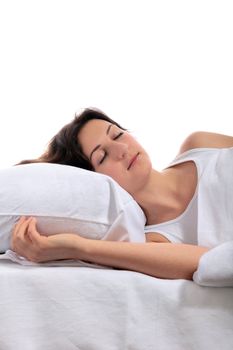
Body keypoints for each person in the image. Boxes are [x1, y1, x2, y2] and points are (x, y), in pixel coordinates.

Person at [11, 108, 233, 280]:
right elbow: (208, 262)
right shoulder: (152, 241)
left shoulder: (200, 144)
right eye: (102, 156)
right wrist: (76, 246)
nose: (122, 149)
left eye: (116, 135)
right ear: (94, 180)